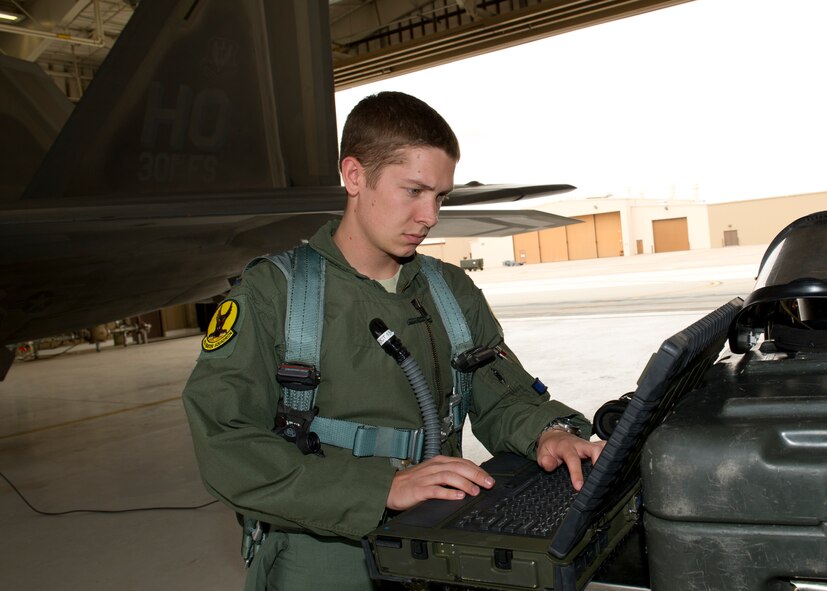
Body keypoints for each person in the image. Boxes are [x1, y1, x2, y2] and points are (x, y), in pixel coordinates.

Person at [182, 91, 605, 590]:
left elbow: (500, 393)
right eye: (414, 191)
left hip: (436, 538)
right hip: (319, 547)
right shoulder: (275, 295)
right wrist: (379, 487)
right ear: (355, 176)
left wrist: (547, 433)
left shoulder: (451, 291)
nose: (430, 216)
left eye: (440, 197)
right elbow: (225, 437)